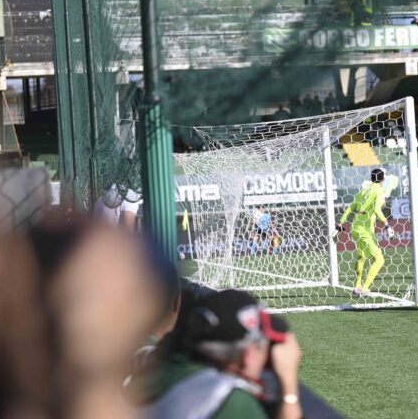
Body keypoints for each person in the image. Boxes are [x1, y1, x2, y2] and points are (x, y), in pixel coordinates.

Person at [134, 288, 303, 419]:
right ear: (248, 357)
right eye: (264, 346)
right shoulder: (229, 401)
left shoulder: (166, 367)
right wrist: (289, 389)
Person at [335, 168, 395, 297]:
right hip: (364, 230)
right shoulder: (378, 190)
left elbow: (352, 206)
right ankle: (365, 288)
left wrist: (341, 222)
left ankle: (357, 286)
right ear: (382, 179)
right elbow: (377, 209)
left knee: (361, 257)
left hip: (356, 227)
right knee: (379, 260)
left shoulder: (365, 189)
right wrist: (386, 225)